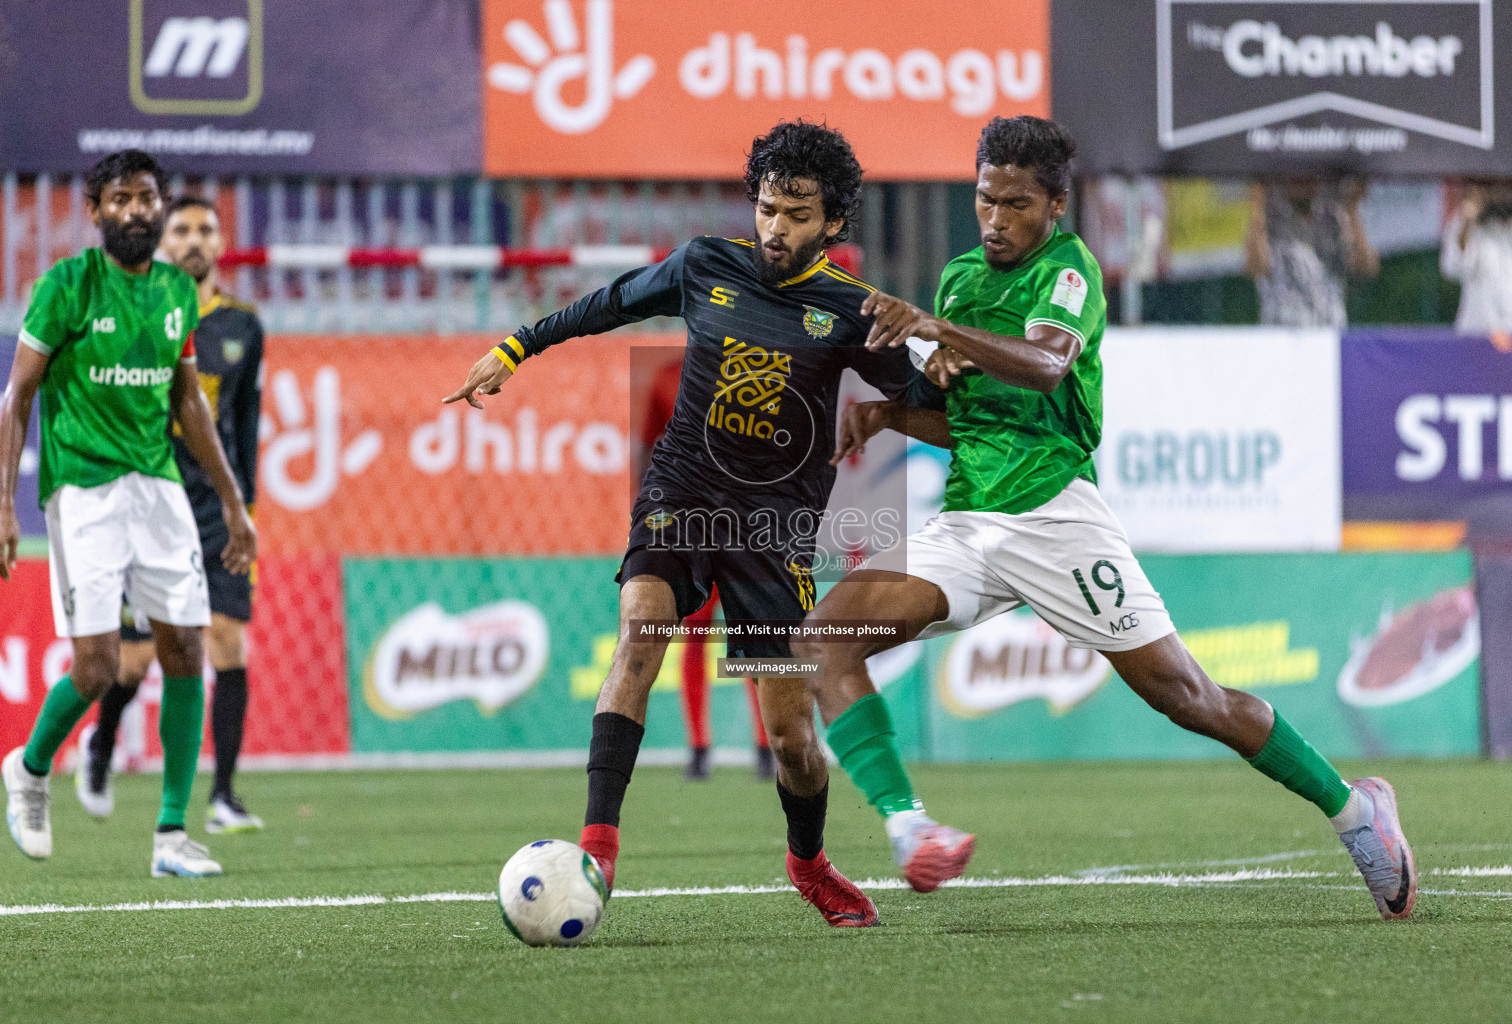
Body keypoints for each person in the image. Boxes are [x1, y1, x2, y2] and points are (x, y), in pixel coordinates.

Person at [795, 115, 1418, 920]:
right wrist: (889, 416)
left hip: (1057, 517)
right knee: (822, 637)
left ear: (1055, 204)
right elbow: (975, 422)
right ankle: (910, 829)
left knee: (1189, 697)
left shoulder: (1070, 270)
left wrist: (939, 329)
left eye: (1016, 204)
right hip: (971, 524)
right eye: (985, 199)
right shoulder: (958, 280)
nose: (995, 218)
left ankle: (1354, 808)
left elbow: (1049, 368)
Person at [445, 120, 963, 925]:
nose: (775, 228)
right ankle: (599, 850)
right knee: (642, 628)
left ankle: (809, 863)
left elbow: (936, 408)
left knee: (792, 740)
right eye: (766, 208)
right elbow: (607, 303)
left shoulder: (853, 311)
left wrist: (935, 366)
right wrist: (514, 348)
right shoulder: (705, 265)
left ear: (832, 224)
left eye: (796, 215)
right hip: (681, 495)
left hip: (775, 528)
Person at [0, 150, 257, 877]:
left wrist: (235, 504)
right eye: (122, 198)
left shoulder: (176, 291)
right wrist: (2, 509)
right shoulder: (67, 287)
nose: (137, 210)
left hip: (159, 487)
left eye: (148, 198)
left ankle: (172, 833)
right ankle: (31, 766)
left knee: (186, 648)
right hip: (83, 490)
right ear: (96, 211)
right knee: (98, 663)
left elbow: (189, 403)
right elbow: (16, 398)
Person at [77, 195, 266, 834]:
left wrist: (246, 506)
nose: (193, 240)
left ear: (219, 243)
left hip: (217, 508)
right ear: (164, 239)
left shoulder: (244, 324)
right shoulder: (142, 315)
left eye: (205, 230)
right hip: (150, 501)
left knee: (227, 641)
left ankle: (224, 796)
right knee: (134, 661)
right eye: (181, 229)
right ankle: (100, 746)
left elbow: (245, 424)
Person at [642, 357, 774, 781]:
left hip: (743, 525)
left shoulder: (747, 375)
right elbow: (650, 451)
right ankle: (699, 747)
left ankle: (767, 745)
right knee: (696, 632)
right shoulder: (666, 375)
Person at [1245, 177, 1378, 328]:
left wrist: (1352, 207)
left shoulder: (1333, 217)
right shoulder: (1271, 218)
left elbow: (1365, 266)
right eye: (1296, 177)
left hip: (1329, 333)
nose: (1305, 183)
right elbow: (1255, 267)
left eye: (1311, 177)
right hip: (1281, 333)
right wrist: (1257, 204)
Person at [1440, 179, 1512, 335]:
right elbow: (1453, 266)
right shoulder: (1470, 228)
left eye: (1507, 184)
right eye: (1492, 185)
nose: (1500, 191)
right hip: (1479, 341)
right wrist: (1467, 220)